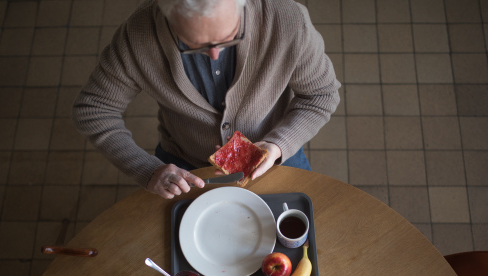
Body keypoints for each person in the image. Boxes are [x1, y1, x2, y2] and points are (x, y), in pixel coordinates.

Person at [72, 0, 340, 199]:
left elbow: (321, 94)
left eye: (228, 39)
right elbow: (93, 109)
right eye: (193, 44)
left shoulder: (288, 21)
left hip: (276, 152)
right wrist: (146, 170)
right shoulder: (137, 36)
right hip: (186, 163)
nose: (214, 55)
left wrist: (278, 145)